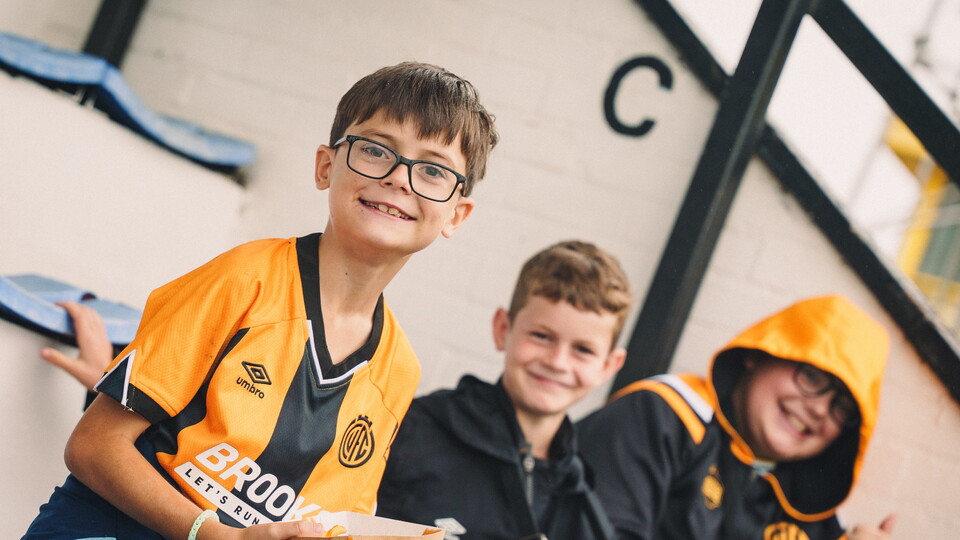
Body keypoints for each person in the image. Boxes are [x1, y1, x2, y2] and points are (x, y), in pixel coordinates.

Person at [24, 61, 498, 540]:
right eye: (376, 150)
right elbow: (93, 446)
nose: (399, 177)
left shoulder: (398, 372)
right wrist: (218, 535)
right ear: (325, 166)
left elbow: (327, 525)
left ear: (457, 215)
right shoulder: (242, 280)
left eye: (433, 170)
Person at [577, 295, 897, 540]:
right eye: (812, 377)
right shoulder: (660, 417)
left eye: (842, 406)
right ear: (758, 356)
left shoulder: (814, 514)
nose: (819, 409)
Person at [376, 240, 631, 540]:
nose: (557, 362)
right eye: (541, 336)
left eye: (583, 350)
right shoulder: (411, 431)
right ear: (502, 329)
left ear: (609, 366)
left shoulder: (583, 508)